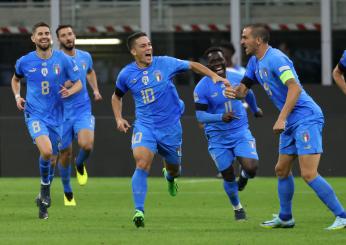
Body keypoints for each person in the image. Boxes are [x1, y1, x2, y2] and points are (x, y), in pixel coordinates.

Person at [225, 24, 346, 230]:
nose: (242, 41)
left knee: (308, 173)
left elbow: (295, 88)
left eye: (245, 37)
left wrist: (281, 118)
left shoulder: (276, 59)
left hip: (306, 117)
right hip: (291, 120)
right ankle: (286, 217)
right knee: (281, 170)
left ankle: (342, 216)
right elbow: (243, 91)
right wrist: (232, 92)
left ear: (259, 40)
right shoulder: (255, 62)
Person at [111, 32, 230, 228]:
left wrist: (214, 76)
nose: (148, 48)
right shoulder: (126, 74)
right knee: (141, 163)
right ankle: (139, 210)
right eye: (143, 46)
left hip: (170, 128)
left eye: (149, 44)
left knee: (175, 169)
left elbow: (192, 65)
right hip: (145, 126)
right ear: (133, 51)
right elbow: (116, 97)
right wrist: (118, 118)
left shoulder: (165, 63)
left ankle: (170, 176)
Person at [11, 22, 82, 219]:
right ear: (33, 38)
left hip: (57, 117)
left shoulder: (63, 59)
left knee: (51, 159)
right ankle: (45, 190)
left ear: (50, 37)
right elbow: (15, 79)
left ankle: (42, 200)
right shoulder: (25, 61)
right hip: (34, 114)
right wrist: (18, 97)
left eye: (47, 33)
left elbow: (78, 83)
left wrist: (70, 90)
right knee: (47, 151)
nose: (44, 36)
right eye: (40, 34)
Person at [194, 47, 259, 221]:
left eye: (219, 60)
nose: (217, 64)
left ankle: (244, 176)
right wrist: (220, 117)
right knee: (228, 174)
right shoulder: (202, 87)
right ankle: (237, 208)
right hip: (217, 137)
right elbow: (200, 115)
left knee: (251, 168)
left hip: (240, 131)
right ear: (207, 65)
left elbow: (249, 93)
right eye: (212, 62)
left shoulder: (237, 77)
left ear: (225, 61)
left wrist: (255, 109)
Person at [55, 25, 102, 206]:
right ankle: (67, 192)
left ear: (74, 36)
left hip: (82, 109)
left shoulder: (85, 56)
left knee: (87, 145)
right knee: (65, 153)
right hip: (61, 113)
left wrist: (96, 90)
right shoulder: (55, 59)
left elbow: (89, 72)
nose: (68, 37)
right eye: (63, 35)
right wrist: (63, 84)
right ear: (59, 40)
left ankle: (80, 164)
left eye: (70, 34)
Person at [219, 41, 263, 118]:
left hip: (239, 112)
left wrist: (255, 109)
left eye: (224, 52)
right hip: (220, 113)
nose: (221, 55)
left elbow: (247, 91)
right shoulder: (215, 73)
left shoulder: (243, 71)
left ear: (231, 53)